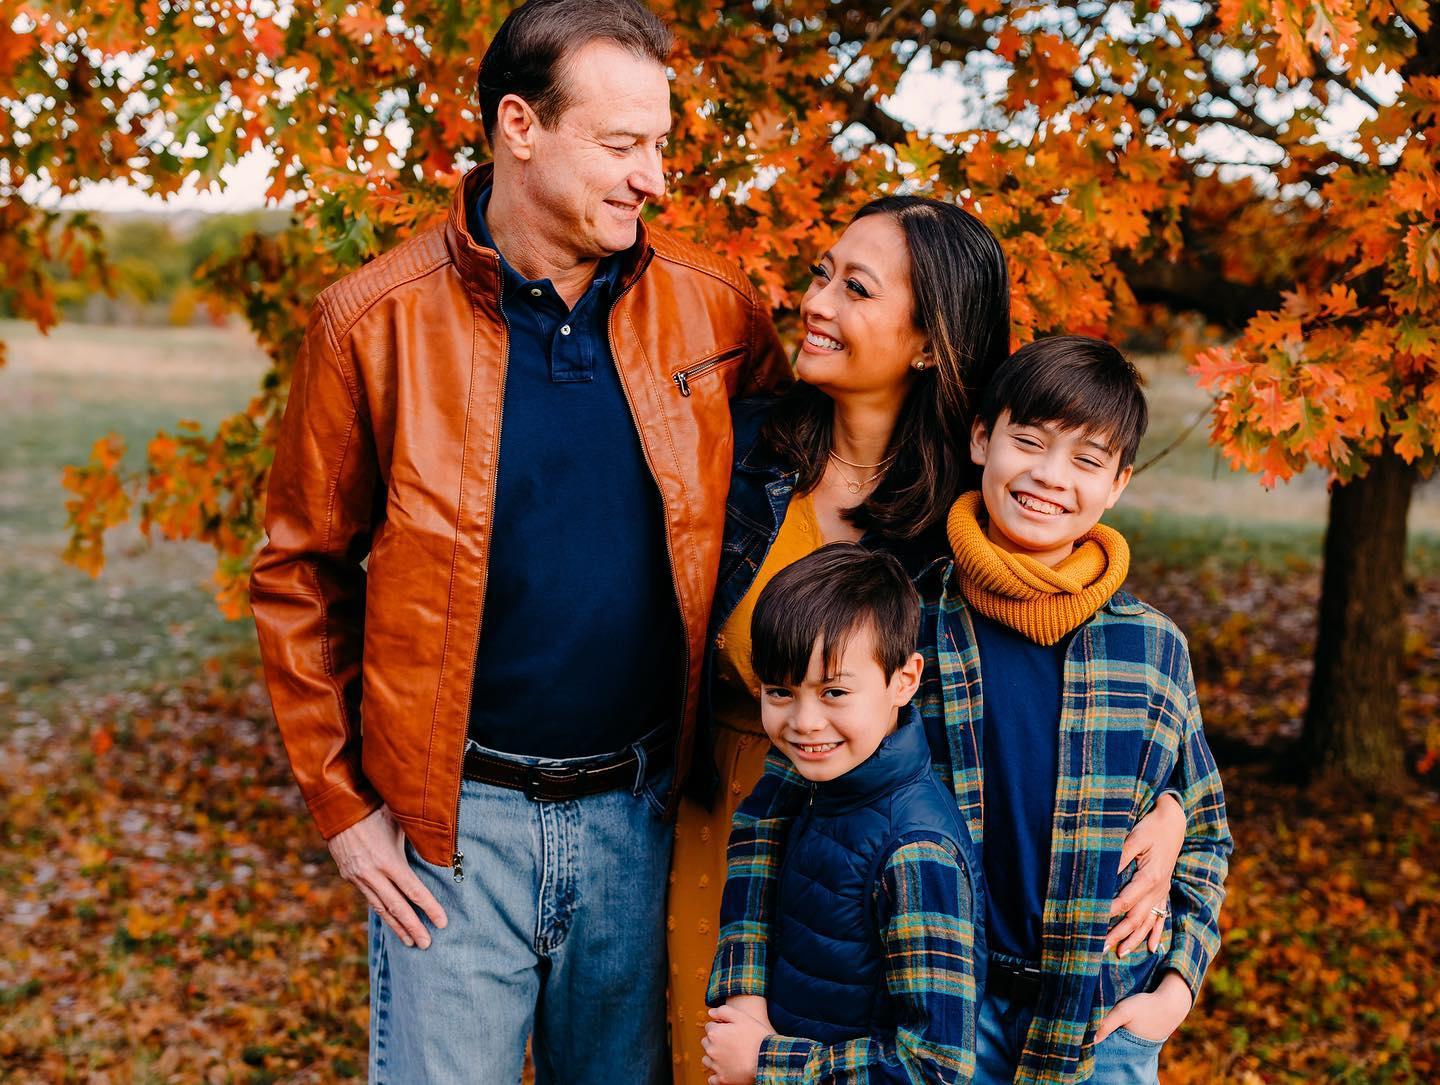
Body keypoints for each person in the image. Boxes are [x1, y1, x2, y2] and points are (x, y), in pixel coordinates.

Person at [248, 1, 788, 1081]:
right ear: (519, 125)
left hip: (646, 819)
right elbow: (298, 571)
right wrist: (344, 807)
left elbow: (813, 514)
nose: (655, 178)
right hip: (451, 831)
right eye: (623, 145)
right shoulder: (372, 324)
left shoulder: (718, 316)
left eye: (662, 145)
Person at [669, 198, 1189, 1083]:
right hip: (718, 810)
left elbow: (1097, 719)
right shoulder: (740, 450)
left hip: (885, 885)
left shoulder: (970, 531)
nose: (818, 300)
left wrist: (1172, 817)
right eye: (821, 273)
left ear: (927, 340)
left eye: (856, 287)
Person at [699, 544, 983, 1085]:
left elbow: (934, 1067)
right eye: (780, 691)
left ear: (904, 680)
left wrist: (765, 1062)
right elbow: (754, 840)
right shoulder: (815, 785)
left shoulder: (916, 851)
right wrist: (746, 996)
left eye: (834, 692)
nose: (805, 722)